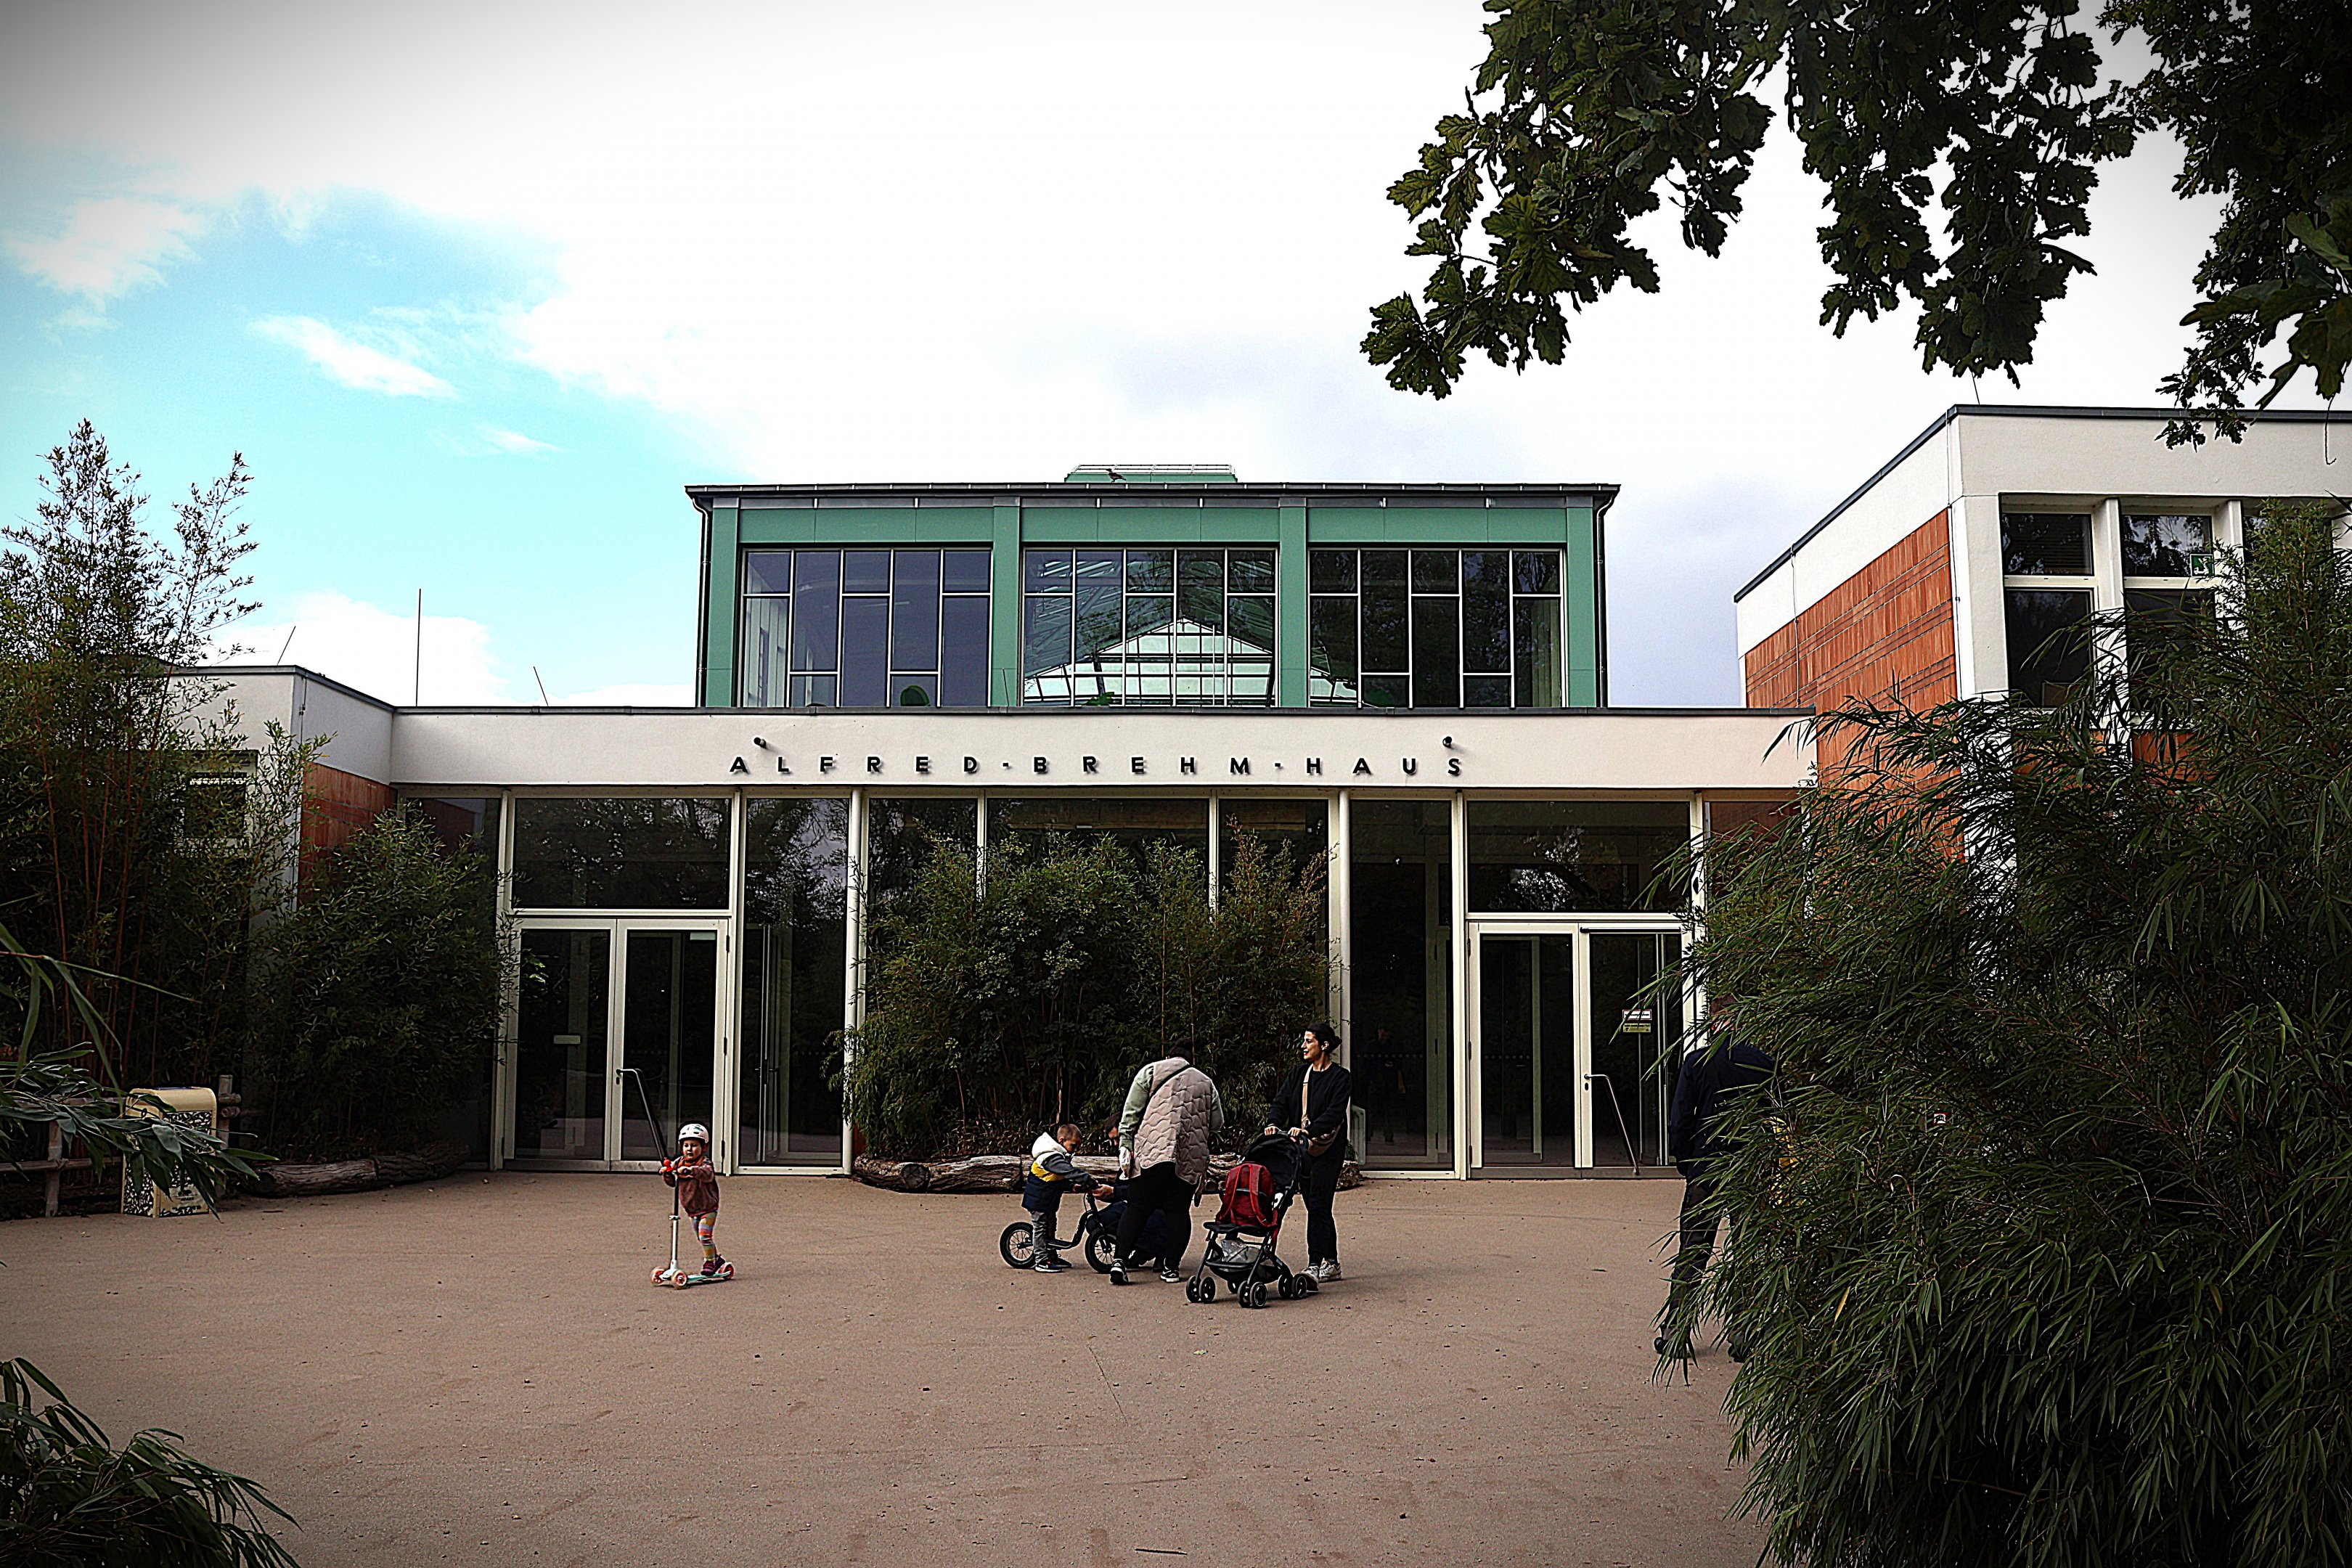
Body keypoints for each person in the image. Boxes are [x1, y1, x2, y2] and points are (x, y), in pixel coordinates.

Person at [1656, 1032, 1776, 1358]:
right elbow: (1774, 1115)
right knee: (1748, 1252)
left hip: (1706, 1166)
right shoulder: (1764, 1064)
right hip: (1748, 1167)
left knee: (1693, 1249)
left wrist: (1686, 1161)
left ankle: (1676, 1331)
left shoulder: (1697, 1062)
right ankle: (1745, 1334)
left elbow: (1681, 1119)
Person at [1110, 1053, 1222, 1286]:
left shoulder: (1151, 1072)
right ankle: (1171, 1267)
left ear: (1170, 1056)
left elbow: (1131, 1113)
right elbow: (1217, 1122)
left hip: (1154, 1151)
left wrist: (1126, 1144)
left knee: (1138, 1207)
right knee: (1178, 1211)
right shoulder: (1207, 1083)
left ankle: (1119, 1261)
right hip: (1189, 1156)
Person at [1264, 1021, 1353, 1282]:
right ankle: (1332, 1262)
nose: (1303, 1046)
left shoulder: (1341, 1078)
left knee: (1318, 1203)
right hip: (1300, 1150)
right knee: (1318, 1207)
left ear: (1324, 1046)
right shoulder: (1298, 1075)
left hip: (1327, 1149)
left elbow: (1335, 1114)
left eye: (1309, 1041)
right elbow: (1281, 1102)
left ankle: (1314, 1264)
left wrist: (1308, 1129)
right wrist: (1272, 1124)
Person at [1023, 1121, 1098, 1272]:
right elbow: (1069, 1172)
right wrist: (1087, 1180)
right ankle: (1041, 1260)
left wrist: (1072, 1186)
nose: (1075, 1151)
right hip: (1039, 1201)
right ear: (1062, 1141)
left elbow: (1056, 1179)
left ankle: (1050, 1254)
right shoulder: (1051, 1157)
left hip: (1048, 1199)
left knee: (1051, 1226)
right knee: (1040, 1227)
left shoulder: (1058, 1156)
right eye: (1073, 1146)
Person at [663, 1122, 724, 1279]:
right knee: (701, 1237)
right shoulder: (678, 1162)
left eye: (695, 1145)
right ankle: (717, 1259)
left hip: (708, 1207)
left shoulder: (705, 1163)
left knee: (705, 1236)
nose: (690, 1149)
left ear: (703, 1148)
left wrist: (691, 1170)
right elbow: (672, 1183)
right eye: (686, 1145)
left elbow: (707, 1174)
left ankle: (710, 1261)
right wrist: (668, 1173)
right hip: (691, 1209)